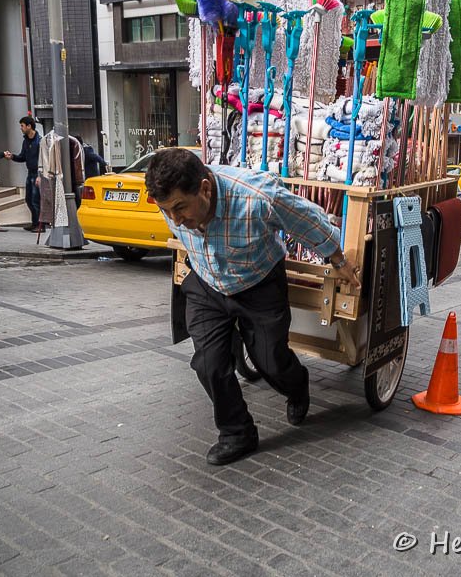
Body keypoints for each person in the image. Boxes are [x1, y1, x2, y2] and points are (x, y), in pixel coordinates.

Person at [145, 148, 361, 465]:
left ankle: (297, 387)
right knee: (208, 364)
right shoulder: (174, 206)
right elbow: (179, 218)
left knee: (271, 362)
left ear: (205, 189)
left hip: (259, 283)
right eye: (167, 211)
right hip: (207, 283)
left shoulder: (257, 196)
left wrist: (338, 260)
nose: (176, 220)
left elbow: (307, 220)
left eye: (180, 208)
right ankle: (237, 433)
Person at [5, 116, 42, 232]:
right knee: (29, 200)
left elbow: (44, 160)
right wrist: (12, 157)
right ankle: (35, 223)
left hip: (37, 174)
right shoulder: (26, 141)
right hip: (30, 173)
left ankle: (40, 225)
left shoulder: (40, 141)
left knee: (36, 200)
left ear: (29, 126)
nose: (21, 128)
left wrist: (40, 175)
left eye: (22, 126)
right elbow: (22, 157)